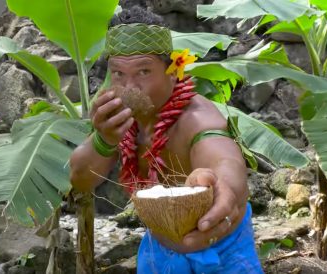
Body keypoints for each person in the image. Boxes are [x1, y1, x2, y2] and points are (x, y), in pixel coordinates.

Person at [69, 9, 263, 274]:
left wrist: (225, 188)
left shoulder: (196, 118)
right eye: (118, 74)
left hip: (224, 248)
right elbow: (80, 179)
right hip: (159, 247)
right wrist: (104, 139)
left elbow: (224, 159)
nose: (130, 87)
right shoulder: (120, 120)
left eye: (144, 71)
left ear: (173, 71)